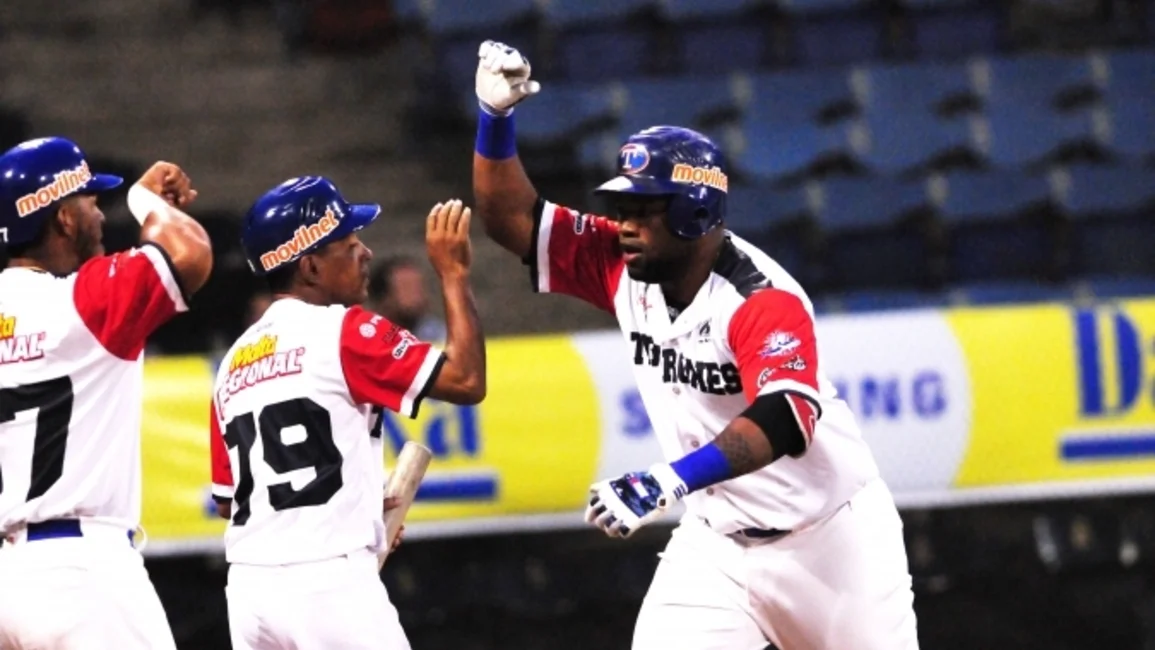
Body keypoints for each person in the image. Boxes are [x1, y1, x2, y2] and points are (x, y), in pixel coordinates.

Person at [472, 40, 919, 650]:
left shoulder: (760, 297)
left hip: (832, 543)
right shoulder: (621, 264)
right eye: (620, 206)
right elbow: (511, 221)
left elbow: (786, 417)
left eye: (642, 207)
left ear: (693, 211)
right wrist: (495, 122)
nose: (623, 222)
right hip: (716, 543)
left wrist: (669, 479)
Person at [208, 177, 485, 650]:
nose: (366, 254)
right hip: (328, 585)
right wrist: (453, 274)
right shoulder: (344, 329)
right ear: (311, 265)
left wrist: (348, 504)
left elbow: (228, 501)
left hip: (250, 592)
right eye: (349, 243)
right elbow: (466, 380)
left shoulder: (234, 360)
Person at [0, 136, 213, 648]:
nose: (101, 215)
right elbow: (192, 253)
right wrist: (147, 202)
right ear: (64, 219)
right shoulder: (84, 299)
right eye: (91, 202)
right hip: (83, 571)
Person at [368, 255, 447, 343]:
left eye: (419, 287)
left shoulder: (437, 334)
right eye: (407, 287)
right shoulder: (366, 336)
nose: (417, 296)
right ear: (383, 296)